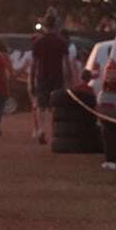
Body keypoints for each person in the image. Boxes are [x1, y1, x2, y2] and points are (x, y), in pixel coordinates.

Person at [30, 8, 72, 145]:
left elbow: (34, 65)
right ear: (56, 25)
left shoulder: (38, 42)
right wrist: (69, 79)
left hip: (42, 76)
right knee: (55, 106)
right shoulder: (61, 42)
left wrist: (31, 80)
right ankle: (53, 132)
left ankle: (41, 130)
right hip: (57, 77)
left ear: (45, 25)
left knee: (41, 105)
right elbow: (66, 64)